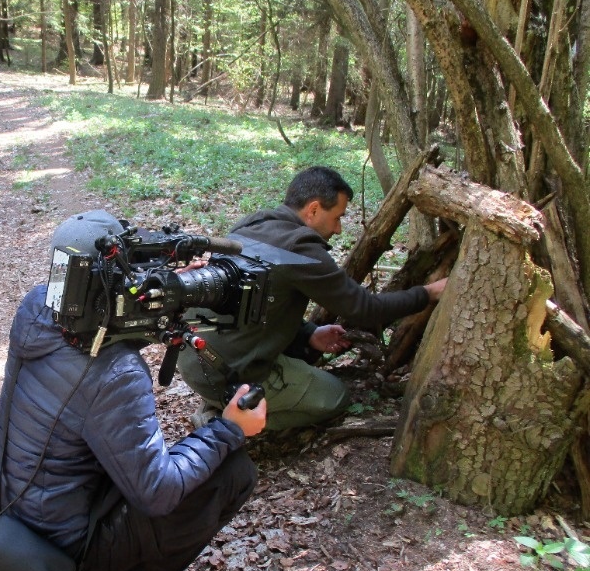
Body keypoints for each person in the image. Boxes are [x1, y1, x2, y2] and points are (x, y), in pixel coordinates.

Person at [0, 210, 267, 571]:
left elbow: (99, 337)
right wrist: (228, 428)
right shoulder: (115, 373)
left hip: (21, 511)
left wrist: (169, 289)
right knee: (233, 472)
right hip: (67, 550)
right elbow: (158, 492)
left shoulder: (37, 305)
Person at [178, 165, 447, 431]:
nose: (339, 229)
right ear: (314, 209)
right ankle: (225, 423)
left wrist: (309, 334)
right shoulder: (300, 248)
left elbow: (252, 306)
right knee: (336, 397)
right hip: (230, 373)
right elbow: (365, 309)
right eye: (337, 217)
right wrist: (428, 292)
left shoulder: (251, 224)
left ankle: (221, 401)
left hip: (194, 358)